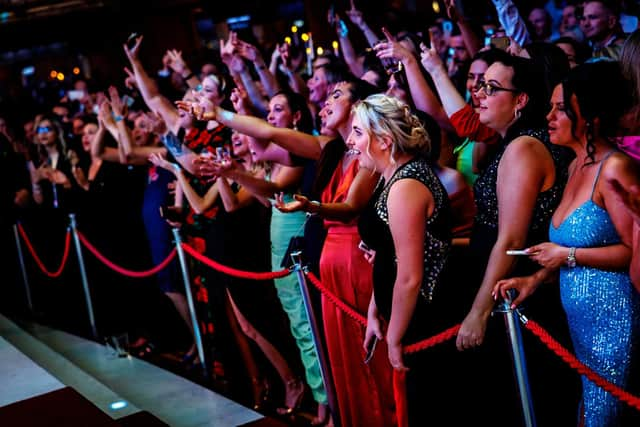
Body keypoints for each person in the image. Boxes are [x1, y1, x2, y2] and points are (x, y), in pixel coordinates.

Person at [182, 78, 396, 427]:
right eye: (327, 97)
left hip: (358, 260)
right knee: (340, 351)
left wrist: (311, 205)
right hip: (327, 260)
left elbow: (352, 205)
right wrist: (223, 114)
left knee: (370, 350)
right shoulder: (330, 149)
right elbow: (269, 139)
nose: (326, 102)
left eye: (337, 96)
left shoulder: (368, 152)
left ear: (359, 107)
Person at [494, 61, 640, 426]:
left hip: (615, 320)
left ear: (587, 116)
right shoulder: (575, 165)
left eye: (561, 109)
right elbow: (570, 254)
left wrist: (566, 254)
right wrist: (535, 280)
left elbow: (630, 251)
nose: (549, 116)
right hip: (582, 327)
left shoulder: (615, 168)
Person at [451, 53, 578, 425]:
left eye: (492, 88)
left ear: (521, 99)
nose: (479, 94)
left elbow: (511, 236)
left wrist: (478, 311)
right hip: (507, 287)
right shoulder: (515, 144)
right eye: (479, 85)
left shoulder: (524, 148)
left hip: (517, 296)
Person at [353, 94, 452, 425]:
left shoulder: (406, 184)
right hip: (402, 313)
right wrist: (374, 310)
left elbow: (410, 275)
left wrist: (394, 337)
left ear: (383, 140)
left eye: (357, 133)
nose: (350, 142)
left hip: (425, 317)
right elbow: (388, 253)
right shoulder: (390, 175)